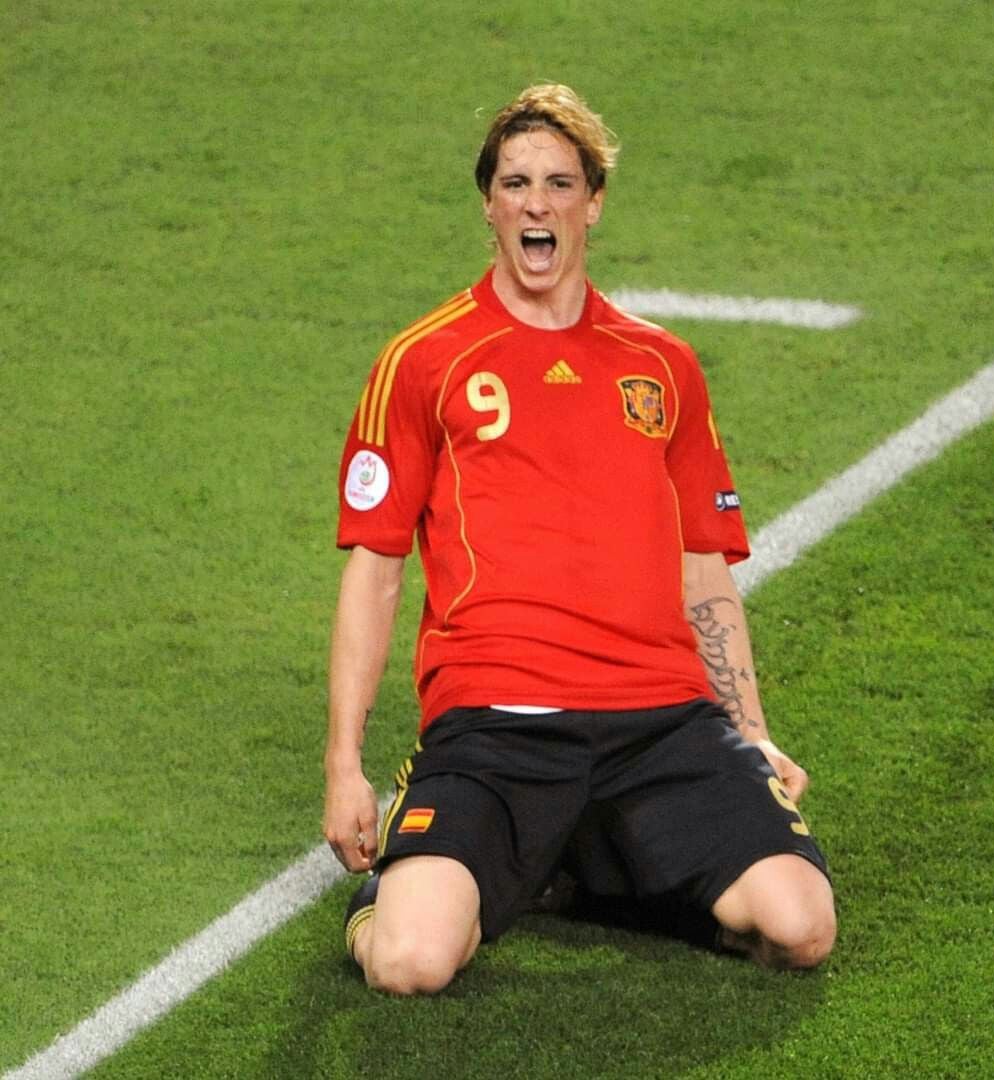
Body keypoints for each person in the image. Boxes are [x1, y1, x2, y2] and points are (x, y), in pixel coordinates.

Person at [322, 83, 835, 995]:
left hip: (659, 725)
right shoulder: (426, 360)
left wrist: (750, 732)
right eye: (516, 182)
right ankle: (396, 889)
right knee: (408, 963)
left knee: (801, 928)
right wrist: (344, 765)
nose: (537, 203)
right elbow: (376, 570)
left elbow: (702, 565)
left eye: (560, 183)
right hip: (496, 727)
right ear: (489, 203)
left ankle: (578, 862)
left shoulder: (661, 365)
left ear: (592, 203)